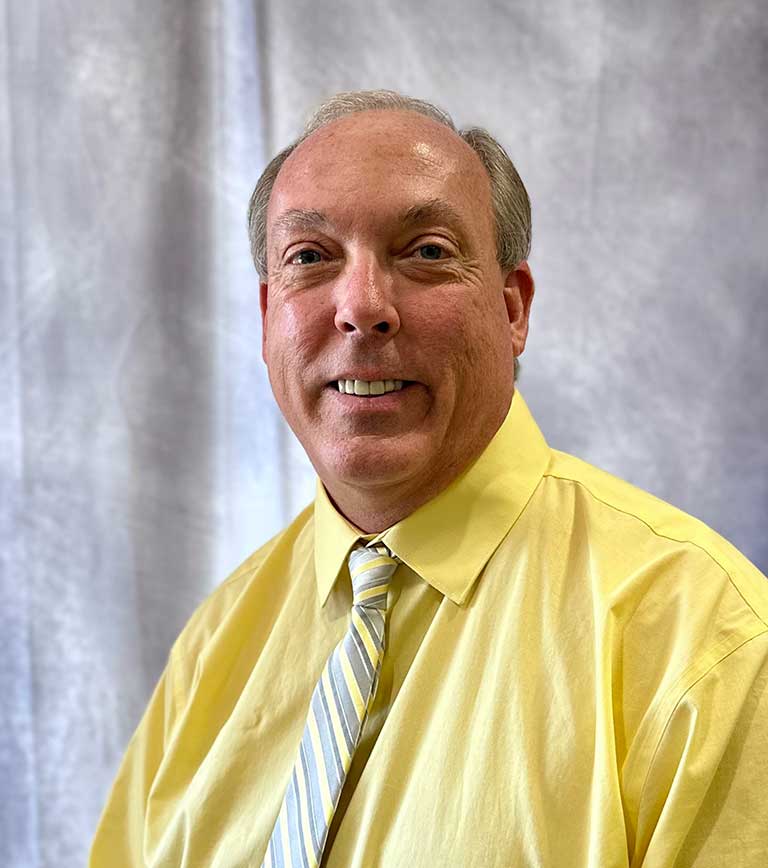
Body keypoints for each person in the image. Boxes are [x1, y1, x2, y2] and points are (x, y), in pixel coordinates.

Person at [90, 90, 768, 867]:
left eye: (428, 252)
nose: (362, 307)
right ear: (269, 314)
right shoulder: (210, 654)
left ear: (513, 309)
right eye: (311, 257)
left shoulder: (708, 645)